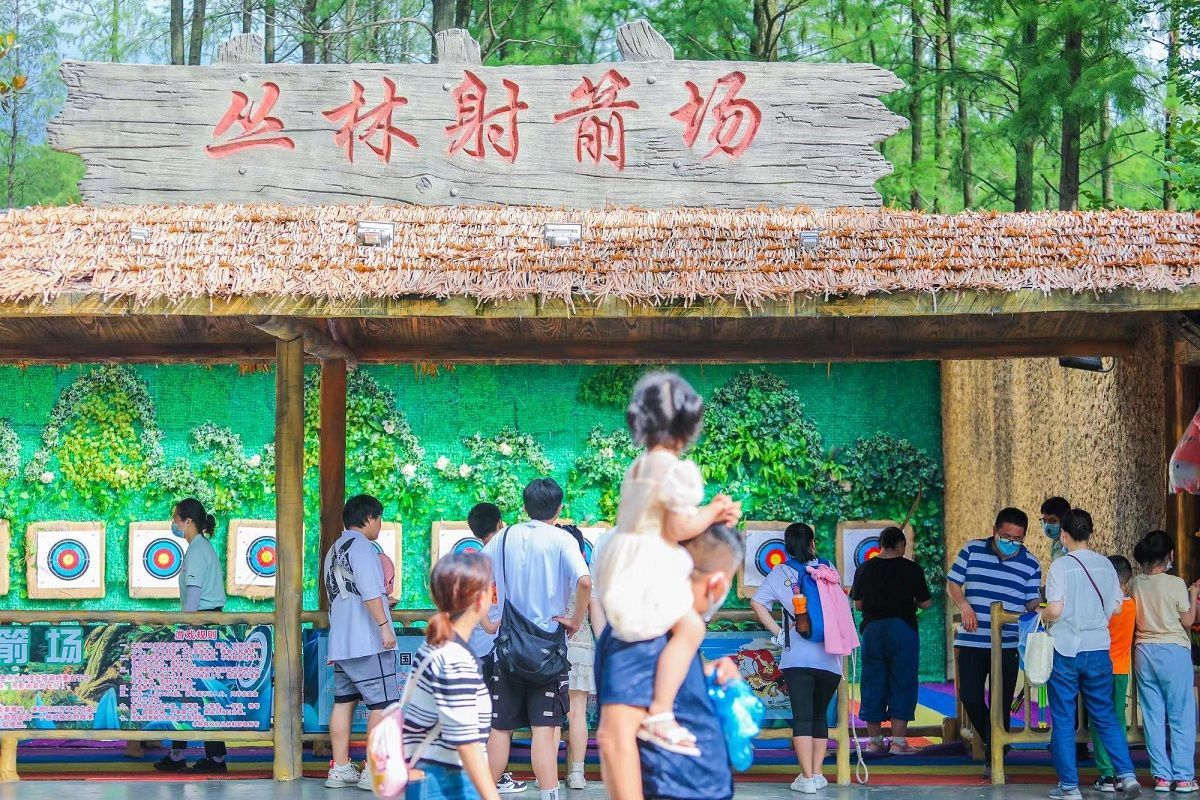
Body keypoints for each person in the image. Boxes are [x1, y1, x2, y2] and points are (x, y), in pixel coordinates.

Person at [593, 372, 740, 757]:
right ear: (690, 427)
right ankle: (660, 712)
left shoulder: (639, 466)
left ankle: (660, 712)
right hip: (650, 564)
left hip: (623, 561)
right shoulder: (674, 469)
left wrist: (709, 514)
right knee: (690, 627)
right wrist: (712, 512)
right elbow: (677, 528)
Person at [596, 524, 745, 800]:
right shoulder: (646, 629)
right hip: (673, 789)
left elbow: (651, 681)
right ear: (717, 584)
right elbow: (614, 738)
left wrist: (705, 673)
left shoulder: (667, 628)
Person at [485, 479, 591, 800]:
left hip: (507, 648)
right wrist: (575, 620)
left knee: (500, 729)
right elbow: (584, 582)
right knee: (544, 732)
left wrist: (488, 621)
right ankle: (549, 795)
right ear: (559, 508)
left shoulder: (503, 537)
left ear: (524, 505)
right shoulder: (562, 539)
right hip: (548, 651)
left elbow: (469, 575)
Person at [1040, 510, 1141, 800]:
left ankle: (1069, 787)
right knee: (1106, 716)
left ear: (1063, 535)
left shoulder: (1061, 566)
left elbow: (1055, 609)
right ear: (1090, 533)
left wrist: (1042, 615)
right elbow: (1117, 607)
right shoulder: (1106, 565)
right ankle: (1127, 776)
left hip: (1066, 649)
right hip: (1099, 649)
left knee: (1063, 719)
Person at [946, 507, 1042, 775]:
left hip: (1008, 643)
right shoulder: (972, 550)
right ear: (995, 531)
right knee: (969, 696)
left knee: (1001, 704)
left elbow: (1031, 601)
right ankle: (997, 741)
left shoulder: (1031, 564)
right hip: (972, 640)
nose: (1011, 542)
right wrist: (964, 605)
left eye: (1017, 539)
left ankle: (994, 761)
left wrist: (1043, 607)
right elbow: (952, 584)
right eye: (1006, 536)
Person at [749, 522, 841, 794]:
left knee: (802, 718)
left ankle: (807, 778)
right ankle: (818, 773)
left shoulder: (780, 571)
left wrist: (779, 633)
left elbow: (757, 602)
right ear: (812, 543)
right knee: (820, 716)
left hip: (798, 657)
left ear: (786, 547)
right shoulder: (827, 569)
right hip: (830, 657)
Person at [402, 551, 502, 800]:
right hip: (446, 781)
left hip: (431, 775)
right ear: (480, 599)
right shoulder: (454, 658)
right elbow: (466, 743)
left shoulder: (436, 645)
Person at [323, 494, 399, 791]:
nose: (380, 524)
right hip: (368, 641)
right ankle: (373, 771)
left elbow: (345, 594)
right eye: (379, 518)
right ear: (369, 518)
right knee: (383, 704)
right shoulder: (364, 547)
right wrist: (384, 627)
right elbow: (369, 591)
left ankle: (340, 768)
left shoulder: (334, 549)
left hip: (341, 641)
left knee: (343, 703)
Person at [154, 497, 229, 774]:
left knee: (197, 689)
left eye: (175, 519)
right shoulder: (200, 547)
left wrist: (186, 627)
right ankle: (183, 754)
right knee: (190, 689)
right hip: (204, 623)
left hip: (200, 625)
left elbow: (194, 595)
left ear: (188, 521)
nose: (173, 524)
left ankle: (211, 758)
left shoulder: (197, 550)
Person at [849, 525, 932, 756]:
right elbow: (926, 603)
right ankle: (898, 743)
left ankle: (875, 742)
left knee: (872, 681)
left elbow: (858, 604)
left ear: (880, 545)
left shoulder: (864, 568)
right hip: (902, 628)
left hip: (872, 630)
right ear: (902, 545)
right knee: (902, 680)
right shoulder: (912, 569)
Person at [463, 502, 526, 796]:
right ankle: (492, 776)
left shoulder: (476, 561)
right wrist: (490, 625)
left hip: (478, 648)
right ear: (500, 523)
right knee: (498, 718)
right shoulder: (506, 556)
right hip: (497, 648)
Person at [1131, 530, 1199, 793]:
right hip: (1173, 651)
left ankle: (1161, 776)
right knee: (1181, 715)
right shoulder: (1175, 583)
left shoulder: (1136, 583)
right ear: (1169, 554)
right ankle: (1183, 777)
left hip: (1143, 652)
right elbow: (1188, 621)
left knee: (1153, 716)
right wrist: (1193, 594)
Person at [1091, 555, 1137, 793]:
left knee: (1099, 720)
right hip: (1121, 671)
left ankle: (1107, 774)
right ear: (1127, 582)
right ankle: (1121, 771)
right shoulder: (1132, 606)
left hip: (1099, 669)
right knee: (1117, 719)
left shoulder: (1102, 607)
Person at [558, 524, 596, 791]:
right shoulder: (586, 576)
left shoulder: (550, 576)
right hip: (582, 645)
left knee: (548, 716)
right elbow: (596, 613)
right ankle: (577, 774)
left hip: (552, 648)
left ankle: (546, 774)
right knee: (578, 713)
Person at [1041, 497, 1072, 562]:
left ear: (1064, 520)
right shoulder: (1056, 543)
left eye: (1052, 520)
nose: (1047, 526)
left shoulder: (1070, 546)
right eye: (1044, 521)